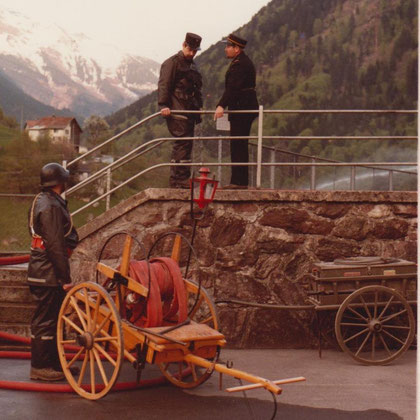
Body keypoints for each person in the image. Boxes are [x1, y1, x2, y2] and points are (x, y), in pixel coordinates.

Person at [27, 162, 79, 381]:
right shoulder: (50, 206)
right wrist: (64, 278)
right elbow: (55, 245)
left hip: (45, 270)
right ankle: (41, 367)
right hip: (47, 273)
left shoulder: (44, 201)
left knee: (55, 320)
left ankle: (56, 364)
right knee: (46, 321)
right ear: (59, 182)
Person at [158, 32, 203, 188]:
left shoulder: (192, 65)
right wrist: (163, 105)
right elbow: (165, 85)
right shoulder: (172, 63)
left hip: (189, 109)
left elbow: (197, 88)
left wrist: (199, 105)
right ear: (184, 45)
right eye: (190, 49)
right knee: (182, 142)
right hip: (177, 108)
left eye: (195, 51)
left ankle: (183, 177)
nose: (192, 53)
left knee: (187, 143)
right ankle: (178, 179)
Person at [214, 33, 259, 189]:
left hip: (242, 108)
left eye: (228, 46)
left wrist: (221, 105)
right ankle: (239, 181)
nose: (226, 49)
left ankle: (239, 182)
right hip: (243, 107)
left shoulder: (240, 65)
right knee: (239, 143)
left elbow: (232, 88)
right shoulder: (241, 62)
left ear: (236, 49)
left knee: (238, 143)